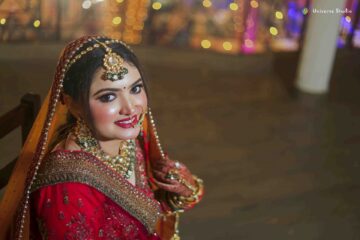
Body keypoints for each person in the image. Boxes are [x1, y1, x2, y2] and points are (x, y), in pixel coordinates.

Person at [0, 36, 204, 240]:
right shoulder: (66, 188)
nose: (130, 108)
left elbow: (148, 210)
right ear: (72, 104)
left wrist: (184, 190)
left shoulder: (129, 139)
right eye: (108, 96)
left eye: (135, 88)